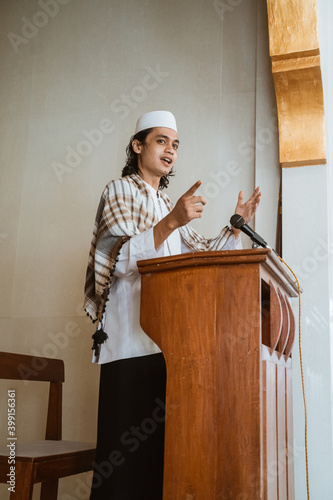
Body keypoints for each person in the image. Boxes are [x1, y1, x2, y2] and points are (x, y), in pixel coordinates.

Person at [84, 110, 261, 500]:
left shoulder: (166, 202)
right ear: (138, 145)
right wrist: (172, 221)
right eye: (161, 141)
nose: (170, 151)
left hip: (170, 344)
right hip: (130, 342)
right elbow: (117, 258)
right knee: (124, 467)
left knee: (156, 465)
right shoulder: (120, 191)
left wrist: (235, 228)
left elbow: (198, 256)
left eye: (176, 145)